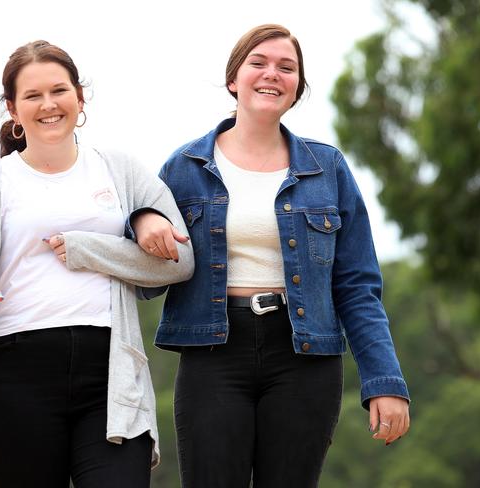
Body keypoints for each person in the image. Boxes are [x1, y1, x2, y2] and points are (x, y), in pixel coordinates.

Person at [132, 24, 410, 487]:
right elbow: (147, 280)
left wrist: (384, 382)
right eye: (258, 63)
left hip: (305, 357)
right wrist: (142, 222)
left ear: (297, 87)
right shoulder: (183, 169)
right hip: (213, 354)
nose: (272, 74)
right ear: (233, 79)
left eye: (287, 67)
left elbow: (358, 287)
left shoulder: (328, 169)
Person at [0, 40, 194, 487]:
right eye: (32, 95)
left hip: (110, 374)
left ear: (80, 98)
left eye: (59, 91)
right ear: (12, 108)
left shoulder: (119, 170)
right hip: (15, 376)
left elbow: (179, 262)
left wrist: (94, 245)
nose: (48, 105)